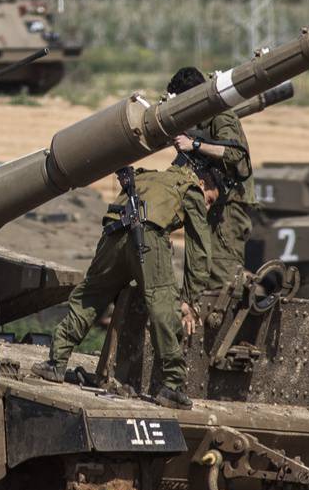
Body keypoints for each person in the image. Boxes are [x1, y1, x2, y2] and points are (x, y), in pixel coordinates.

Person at [41, 160, 219, 409]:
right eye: (209, 199)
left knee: (90, 296)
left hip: (113, 235)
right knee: (162, 304)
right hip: (145, 239)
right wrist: (189, 299)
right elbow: (199, 249)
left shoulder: (147, 176)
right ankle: (172, 386)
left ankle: (55, 363)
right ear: (203, 182)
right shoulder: (190, 188)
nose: (207, 206)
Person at [165, 66, 252, 292]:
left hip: (229, 209)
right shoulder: (203, 122)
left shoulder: (222, 116)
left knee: (223, 280)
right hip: (213, 205)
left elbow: (235, 154)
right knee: (200, 273)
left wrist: (194, 144)